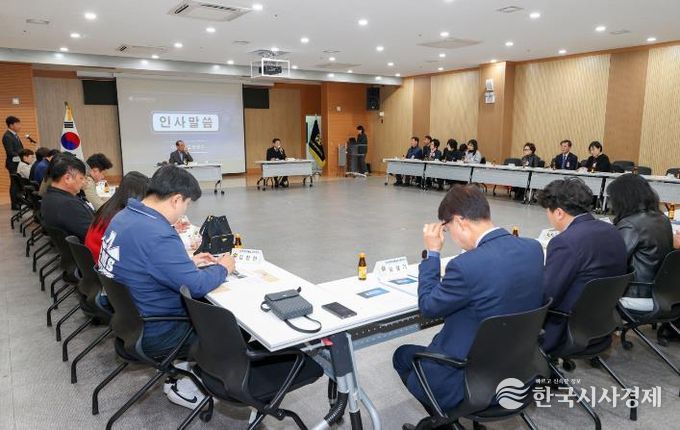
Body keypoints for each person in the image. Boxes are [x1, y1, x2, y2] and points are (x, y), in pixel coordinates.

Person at [393, 185, 544, 422]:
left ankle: (442, 420)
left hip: (469, 379)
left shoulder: (466, 266)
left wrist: (433, 253)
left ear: (459, 221)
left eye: (448, 229)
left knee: (402, 356)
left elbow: (428, 307)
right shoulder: (532, 249)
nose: (451, 237)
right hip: (517, 370)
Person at [98, 164, 236, 409]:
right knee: (228, 329)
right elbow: (196, 285)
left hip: (128, 321)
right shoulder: (157, 233)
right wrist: (224, 268)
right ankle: (188, 383)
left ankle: (185, 372)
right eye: (187, 205)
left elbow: (143, 263)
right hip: (158, 330)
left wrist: (187, 263)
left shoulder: (124, 217)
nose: (184, 212)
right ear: (176, 199)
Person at [537, 178, 627, 352]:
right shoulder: (612, 230)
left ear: (559, 213)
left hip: (566, 327)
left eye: (548, 212)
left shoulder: (565, 241)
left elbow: (547, 295)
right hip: (602, 322)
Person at [607, 174, 673, 312]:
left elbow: (613, 262)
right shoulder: (662, 218)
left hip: (637, 295)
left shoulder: (630, 224)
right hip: (664, 293)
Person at [84, 171, 149, 261]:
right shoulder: (122, 216)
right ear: (138, 195)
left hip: (93, 257)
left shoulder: (111, 205)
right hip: (103, 261)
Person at [40, 154, 94, 241]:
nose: (84, 182)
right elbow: (94, 234)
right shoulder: (68, 205)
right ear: (67, 178)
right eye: (81, 178)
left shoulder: (50, 196)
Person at [3, 116, 25, 209]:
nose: (20, 126)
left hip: (18, 163)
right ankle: (14, 204)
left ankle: (19, 202)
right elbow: (10, 152)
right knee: (15, 184)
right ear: (11, 125)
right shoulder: (7, 136)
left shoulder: (14, 135)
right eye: (18, 124)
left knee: (18, 184)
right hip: (13, 164)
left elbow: (19, 149)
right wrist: (23, 156)